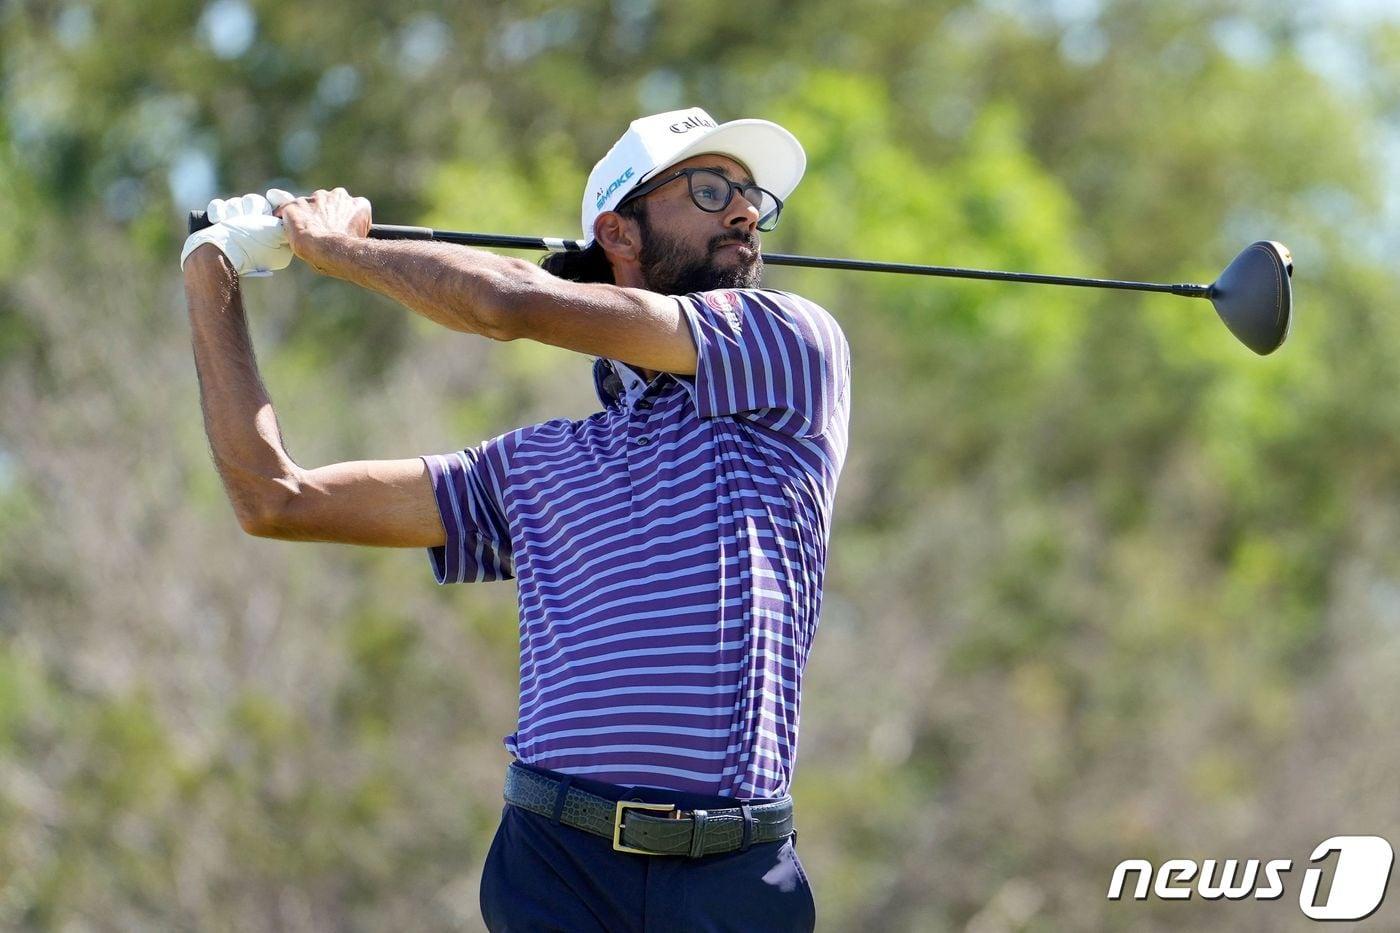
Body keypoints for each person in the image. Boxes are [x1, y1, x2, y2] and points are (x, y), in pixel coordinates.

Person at [181, 107, 850, 931]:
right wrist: (210, 269)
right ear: (620, 230)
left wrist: (341, 252)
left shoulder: (793, 350)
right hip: (555, 869)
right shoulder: (534, 465)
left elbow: (509, 304)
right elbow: (276, 499)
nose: (746, 210)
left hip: (736, 875)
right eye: (711, 189)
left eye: (752, 197)